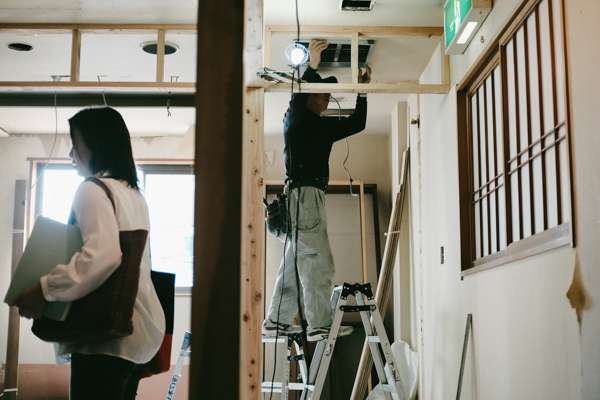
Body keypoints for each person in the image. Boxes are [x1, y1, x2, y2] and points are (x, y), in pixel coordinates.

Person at [10, 107, 165, 399]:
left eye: (76, 142)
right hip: (139, 336)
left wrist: (43, 290)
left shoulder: (92, 189)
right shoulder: (132, 193)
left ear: (97, 143)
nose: (71, 153)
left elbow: (102, 258)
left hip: (106, 340)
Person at [262, 39, 372, 342]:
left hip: (306, 196)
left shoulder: (323, 127)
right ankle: (321, 325)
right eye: (321, 93)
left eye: (327, 95)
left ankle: (276, 321)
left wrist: (362, 90)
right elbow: (298, 98)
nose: (326, 98)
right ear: (310, 97)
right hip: (306, 195)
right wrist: (311, 66)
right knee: (318, 262)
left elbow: (358, 123)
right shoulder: (295, 121)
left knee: (296, 265)